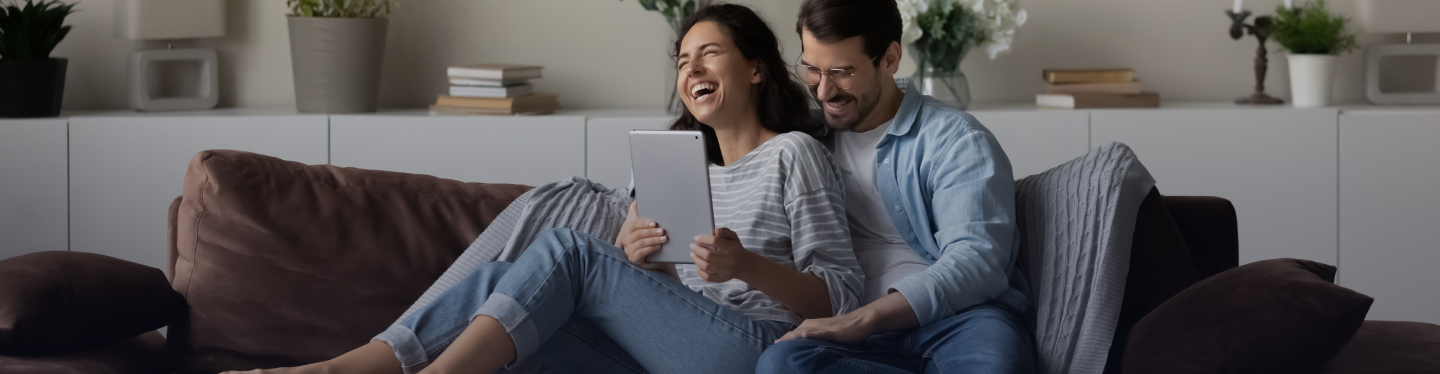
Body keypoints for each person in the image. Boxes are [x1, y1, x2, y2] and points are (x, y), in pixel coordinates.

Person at [226, 4, 862, 374]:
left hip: (754, 350)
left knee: (568, 250)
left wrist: (744, 265)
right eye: (682, 60)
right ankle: (340, 368)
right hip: (669, 352)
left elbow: (840, 294)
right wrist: (641, 260)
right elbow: (674, 301)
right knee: (498, 285)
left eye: (710, 53)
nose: (691, 68)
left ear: (755, 67)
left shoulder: (794, 154)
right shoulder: (675, 167)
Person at [755, 0, 1038, 373]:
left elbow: (977, 261)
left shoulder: (955, 139)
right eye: (812, 69)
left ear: (889, 59)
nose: (823, 91)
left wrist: (863, 319)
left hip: (961, 322)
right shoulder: (800, 140)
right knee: (782, 364)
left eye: (841, 72)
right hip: (851, 333)